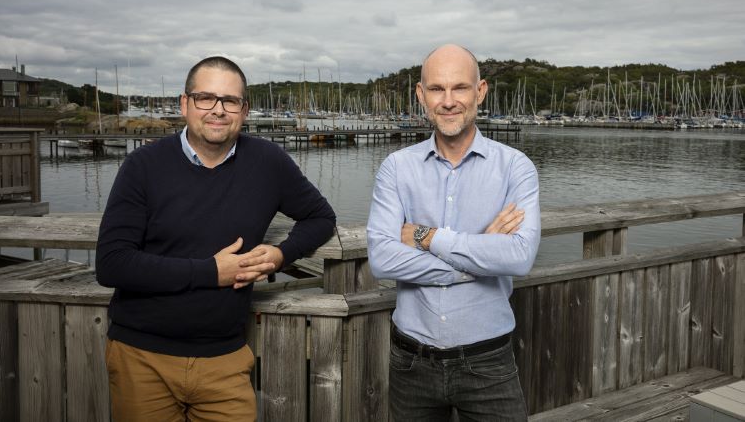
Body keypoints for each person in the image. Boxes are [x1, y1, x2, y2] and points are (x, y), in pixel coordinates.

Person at [96, 56, 336, 422]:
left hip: (225, 359)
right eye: (206, 98)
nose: (218, 110)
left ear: (245, 109)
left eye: (230, 101)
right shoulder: (143, 166)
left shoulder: (268, 162)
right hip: (142, 357)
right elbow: (112, 263)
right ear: (185, 104)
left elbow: (321, 217)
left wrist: (280, 255)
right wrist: (211, 272)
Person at [367, 44, 540, 421]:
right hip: (411, 362)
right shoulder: (396, 168)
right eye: (437, 89)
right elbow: (381, 259)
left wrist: (427, 237)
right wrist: (479, 258)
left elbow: (519, 257)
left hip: (489, 361)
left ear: (480, 92)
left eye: (460, 88)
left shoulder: (516, 168)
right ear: (420, 94)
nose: (448, 101)